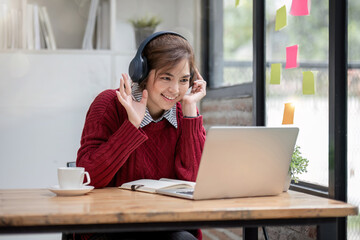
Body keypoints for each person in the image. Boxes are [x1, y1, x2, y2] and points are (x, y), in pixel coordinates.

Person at [76, 31, 207, 240]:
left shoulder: (186, 114)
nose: (175, 90)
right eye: (166, 77)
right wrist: (132, 126)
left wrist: (191, 109)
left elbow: (196, 184)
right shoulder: (110, 103)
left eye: (184, 80)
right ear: (142, 73)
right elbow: (86, 177)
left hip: (168, 226)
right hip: (111, 226)